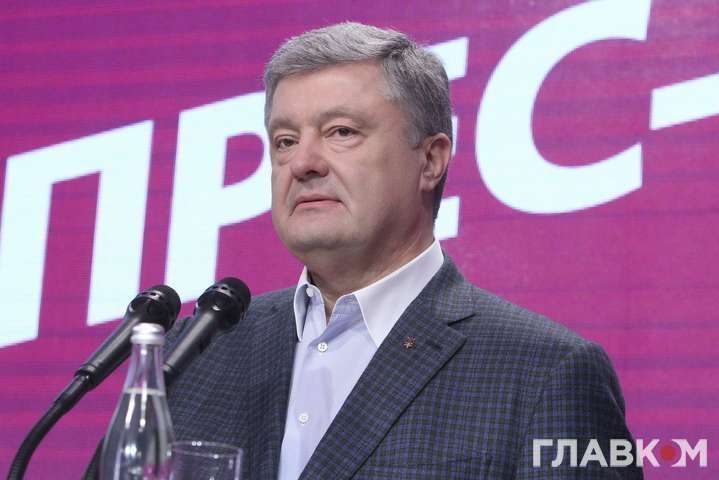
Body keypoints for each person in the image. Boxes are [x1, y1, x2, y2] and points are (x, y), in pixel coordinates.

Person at [166, 22, 642, 479]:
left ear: (430, 160)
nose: (303, 163)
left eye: (341, 132)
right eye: (285, 141)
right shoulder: (195, 352)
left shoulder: (546, 372)